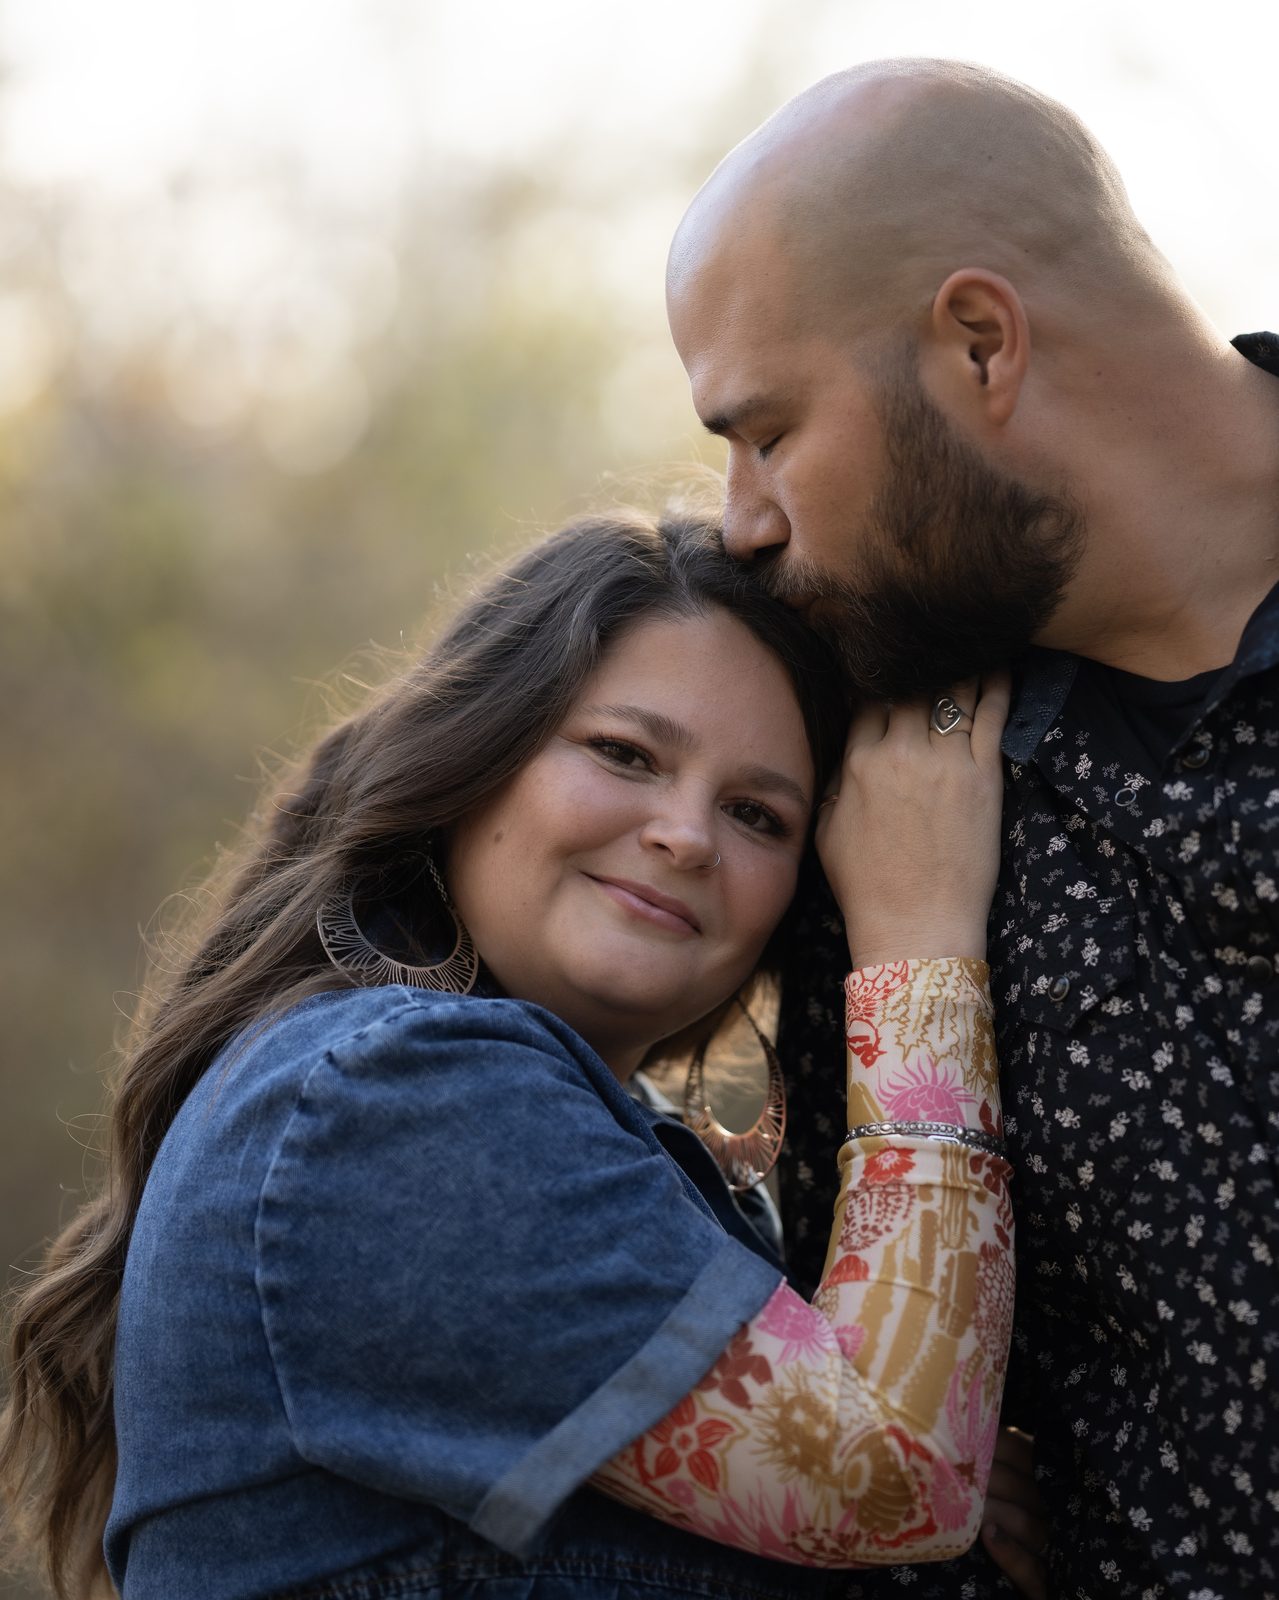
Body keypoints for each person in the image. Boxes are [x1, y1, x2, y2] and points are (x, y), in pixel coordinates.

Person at [1, 509, 1017, 1600]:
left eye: (757, 814)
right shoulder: (391, 1101)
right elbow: (899, 1476)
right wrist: (918, 938)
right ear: (473, 755)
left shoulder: (535, 1127)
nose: (685, 834)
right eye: (624, 754)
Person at [665, 57, 1279, 1599]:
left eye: (765, 430)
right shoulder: (871, 805)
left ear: (976, 342)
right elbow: (897, 1467)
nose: (739, 517)